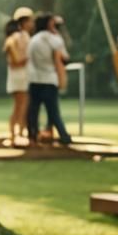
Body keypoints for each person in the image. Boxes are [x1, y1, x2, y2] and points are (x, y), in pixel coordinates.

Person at [27, 12, 72, 147]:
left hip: (34, 79)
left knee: (33, 111)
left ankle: (33, 137)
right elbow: (65, 58)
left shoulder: (33, 39)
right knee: (53, 112)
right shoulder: (55, 39)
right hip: (49, 79)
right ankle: (64, 136)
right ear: (49, 24)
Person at [3, 7, 34, 145]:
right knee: (20, 106)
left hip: (20, 75)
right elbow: (16, 61)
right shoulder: (19, 37)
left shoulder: (20, 37)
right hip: (20, 75)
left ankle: (19, 133)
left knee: (22, 105)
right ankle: (13, 135)